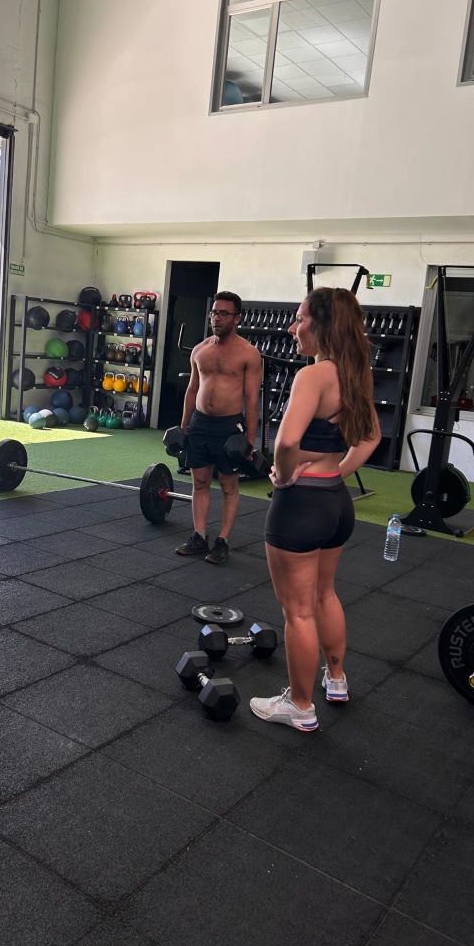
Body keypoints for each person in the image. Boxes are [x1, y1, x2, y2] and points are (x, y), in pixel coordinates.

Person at [250, 287, 381, 731]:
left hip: (301, 506)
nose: (292, 328)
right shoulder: (356, 373)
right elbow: (371, 437)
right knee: (324, 595)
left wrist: (285, 475)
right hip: (336, 504)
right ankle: (336, 679)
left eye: (300, 319)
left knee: (298, 611)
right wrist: (338, 469)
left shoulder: (313, 375)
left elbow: (286, 442)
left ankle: (300, 705)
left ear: (322, 326)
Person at [175, 291, 262, 564]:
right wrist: (184, 426)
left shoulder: (248, 354)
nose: (217, 318)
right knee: (200, 482)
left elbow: (252, 399)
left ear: (237, 318)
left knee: (228, 486)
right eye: (214, 312)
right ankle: (199, 536)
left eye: (224, 313)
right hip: (200, 424)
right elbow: (192, 390)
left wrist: (249, 439)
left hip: (229, 426)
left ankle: (222, 541)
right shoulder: (200, 350)